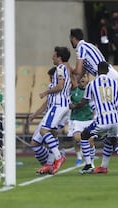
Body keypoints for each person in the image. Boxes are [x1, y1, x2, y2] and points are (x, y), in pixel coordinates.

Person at [71, 61, 118, 174]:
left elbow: (83, 101)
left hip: (102, 120)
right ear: (107, 71)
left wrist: (73, 106)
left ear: (98, 70)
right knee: (114, 142)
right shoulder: (115, 83)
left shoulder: (92, 84)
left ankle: (88, 164)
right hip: (115, 120)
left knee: (84, 135)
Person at [38, 46, 72, 174]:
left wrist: (45, 92)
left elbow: (60, 86)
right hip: (65, 105)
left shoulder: (60, 68)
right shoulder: (66, 69)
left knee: (43, 130)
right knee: (53, 134)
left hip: (59, 105)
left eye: (54, 55)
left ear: (59, 57)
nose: (52, 57)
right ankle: (49, 163)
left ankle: (58, 157)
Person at [29, 67, 57, 174]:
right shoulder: (52, 88)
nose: (50, 80)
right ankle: (50, 164)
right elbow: (46, 104)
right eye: (49, 78)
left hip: (54, 118)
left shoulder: (61, 88)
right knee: (38, 144)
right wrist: (35, 114)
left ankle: (50, 163)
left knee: (35, 143)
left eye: (52, 77)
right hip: (47, 117)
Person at [67, 73, 95, 166]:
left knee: (90, 141)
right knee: (77, 138)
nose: (83, 78)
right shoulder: (73, 90)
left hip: (88, 118)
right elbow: (68, 102)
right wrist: (70, 105)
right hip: (76, 119)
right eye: (81, 76)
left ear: (88, 78)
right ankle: (79, 157)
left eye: (85, 76)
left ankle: (91, 161)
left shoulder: (92, 89)